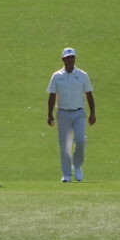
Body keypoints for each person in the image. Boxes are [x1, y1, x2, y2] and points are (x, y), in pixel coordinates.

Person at [46, 47, 95, 182]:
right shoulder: (57, 76)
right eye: (67, 57)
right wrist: (49, 114)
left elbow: (89, 94)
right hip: (63, 113)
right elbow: (52, 95)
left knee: (80, 140)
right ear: (63, 59)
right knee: (65, 145)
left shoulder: (82, 75)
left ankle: (77, 166)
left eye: (72, 57)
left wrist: (93, 113)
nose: (70, 60)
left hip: (79, 113)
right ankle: (67, 174)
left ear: (75, 58)